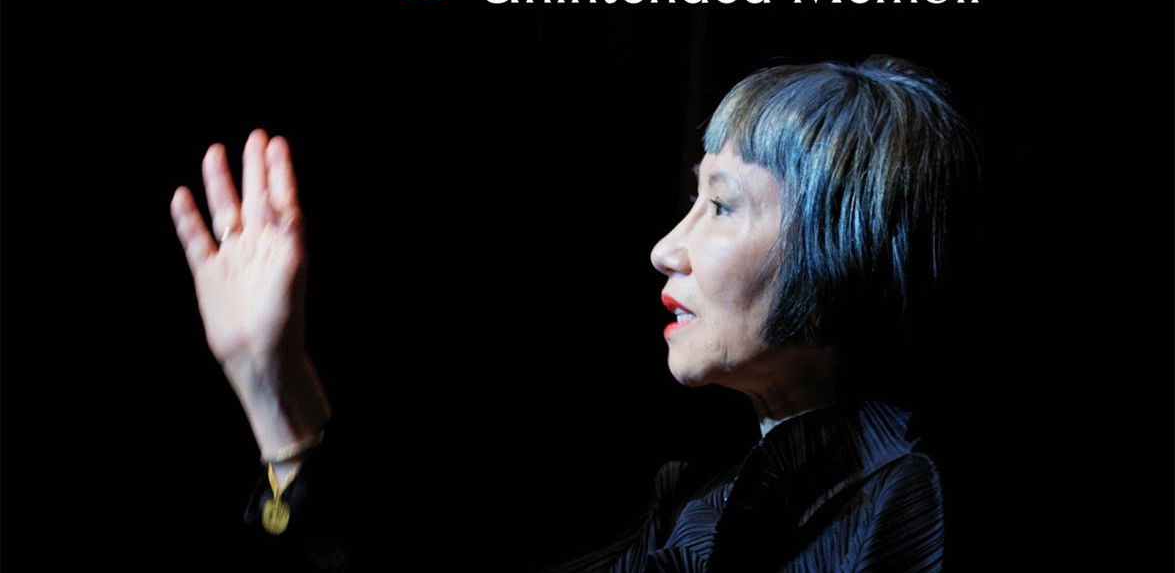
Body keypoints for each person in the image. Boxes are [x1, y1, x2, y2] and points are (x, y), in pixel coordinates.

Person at [170, 55, 976, 572]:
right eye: (691, 200)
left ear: (844, 248)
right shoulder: (705, 503)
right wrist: (273, 386)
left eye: (723, 206)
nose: (666, 248)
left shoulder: (916, 499)